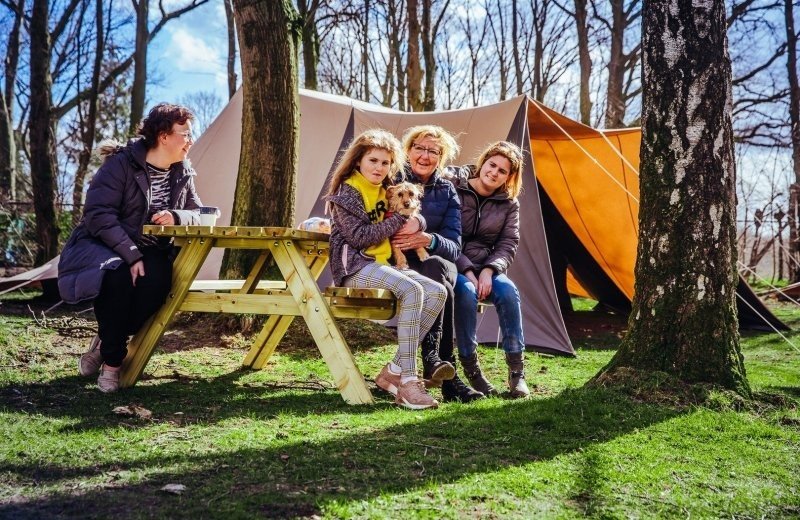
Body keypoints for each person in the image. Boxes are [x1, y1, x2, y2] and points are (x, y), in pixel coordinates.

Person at [58, 103, 202, 393]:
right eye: (185, 133)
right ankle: (112, 364)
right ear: (163, 136)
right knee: (118, 278)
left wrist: (176, 216)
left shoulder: (182, 171)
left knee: (158, 286)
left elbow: (197, 211)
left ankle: (105, 340)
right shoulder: (121, 164)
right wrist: (131, 255)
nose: (191, 139)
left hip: (152, 249)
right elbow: (98, 214)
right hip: (104, 244)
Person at [325, 129, 446, 410]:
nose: (380, 168)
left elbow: (411, 209)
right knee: (413, 289)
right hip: (355, 267)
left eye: (386, 163)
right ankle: (408, 381)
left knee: (437, 292)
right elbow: (360, 237)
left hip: (383, 265)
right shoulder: (346, 193)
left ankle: (393, 369)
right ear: (358, 161)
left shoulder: (388, 189)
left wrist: (419, 223)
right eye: (373, 161)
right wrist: (401, 219)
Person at [391, 125, 484, 402]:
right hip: (395, 261)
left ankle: (434, 359)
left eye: (433, 151)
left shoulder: (447, 191)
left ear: (441, 158)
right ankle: (445, 373)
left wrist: (427, 238)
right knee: (441, 281)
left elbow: (454, 246)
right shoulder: (391, 179)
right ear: (408, 151)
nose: (424, 155)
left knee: (437, 269)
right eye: (419, 147)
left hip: (432, 261)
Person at [452, 141, 530, 398]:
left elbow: (509, 242)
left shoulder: (509, 203)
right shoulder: (456, 188)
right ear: (482, 163)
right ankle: (472, 371)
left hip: (488, 265)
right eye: (492, 165)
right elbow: (447, 235)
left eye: (503, 171)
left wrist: (489, 270)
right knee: (465, 292)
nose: (494, 172)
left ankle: (517, 374)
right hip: (453, 262)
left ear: (510, 177)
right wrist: (467, 271)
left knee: (509, 292)